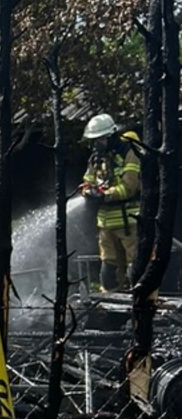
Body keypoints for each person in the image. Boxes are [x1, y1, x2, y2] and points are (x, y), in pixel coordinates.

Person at [80, 113, 141, 292]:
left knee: (134, 267)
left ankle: (139, 304)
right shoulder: (96, 158)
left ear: (109, 136)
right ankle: (111, 310)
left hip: (129, 221)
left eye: (98, 140)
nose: (95, 144)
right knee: (109, 271)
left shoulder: (129, 153)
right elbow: (87, 181)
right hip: (105, 223)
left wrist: (105, 195)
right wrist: (88, 191)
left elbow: (129, 186)